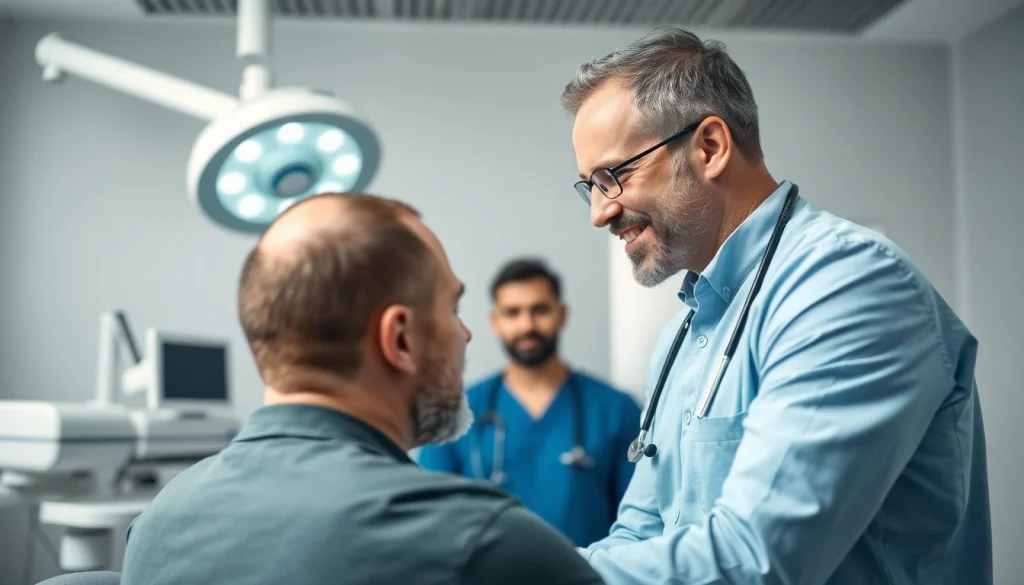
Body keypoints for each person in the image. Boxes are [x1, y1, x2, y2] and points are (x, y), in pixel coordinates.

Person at [559, 27, 993, 585]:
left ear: (710, 148)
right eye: (588, 187)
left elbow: (757, 559)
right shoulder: (680, 339)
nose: (599, 212)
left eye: (613, 177)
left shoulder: (846, 285)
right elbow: (641, 535)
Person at [120, 193, 605, 585]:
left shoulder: (156, 524)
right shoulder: (485, 542)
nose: (466, 335)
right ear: (399, 339)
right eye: (451, 311)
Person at [418, 258, 642, 547]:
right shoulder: (454, 409)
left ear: (562, 314)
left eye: (540, 309)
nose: (527, 325)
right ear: (495, 322)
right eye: (513, 313)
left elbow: (641, 523)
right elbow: (433, 522)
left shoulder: (616, 410)